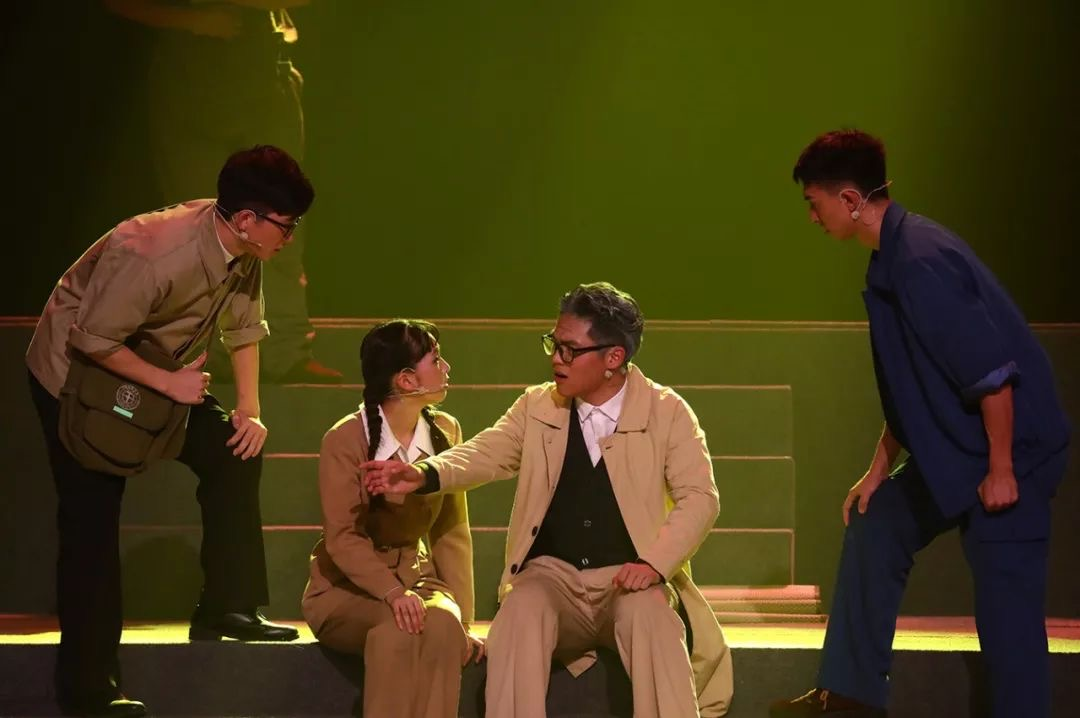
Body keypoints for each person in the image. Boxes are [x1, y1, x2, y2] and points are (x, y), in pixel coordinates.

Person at [769, 129, 1070, 717]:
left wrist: (1002, 469)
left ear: (850, 199)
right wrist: (878, 469)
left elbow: (994, 375)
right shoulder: (889, 259)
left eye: (814, 202)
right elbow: (913, 385)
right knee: (876, 521)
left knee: (1007, 617)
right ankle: (850, 699)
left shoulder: (922, 259)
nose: (812, 216)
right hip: (955, 450)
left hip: (1012, 453)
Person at [26, 144, 312, 718]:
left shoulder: (245, 247)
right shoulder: (152, 251)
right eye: (286, 225)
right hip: (77, 375)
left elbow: (244, 329)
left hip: (162, 367)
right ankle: (89, 689)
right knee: (90, 521)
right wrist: (168, 382)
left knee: (233, 450)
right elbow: (92, 338)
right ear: (247, 219)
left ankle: (229, 605)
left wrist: (250, 410)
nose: (290, 237)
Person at [362, 283, 734, 718]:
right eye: (553, 344)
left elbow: (700, 497)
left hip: (629, 578)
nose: (556, 358)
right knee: (520, 609)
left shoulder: (667, 411)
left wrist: (653, 565)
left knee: (653, 617)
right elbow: (486, 452)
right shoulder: (538, 405)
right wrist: (424, 473)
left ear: (613, 358)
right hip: (552, 577)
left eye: (570, 350)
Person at [101, 0, 342, 383]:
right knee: (200, 225)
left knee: (280, 218)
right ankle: (202, 352)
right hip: (193, 82)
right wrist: (192, 19)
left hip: (266, 79)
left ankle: (285, 351)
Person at [301, 319, 483, 718]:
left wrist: (465, 622)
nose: (446, 367)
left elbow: (451, 530)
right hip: (347, 588)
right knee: (399, 629)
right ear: (405, 379)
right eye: (436, 359)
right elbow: (342, 536)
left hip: (418, 578)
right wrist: (392, 592)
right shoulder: (345, 439)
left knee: (443, 626)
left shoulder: (446, 431)